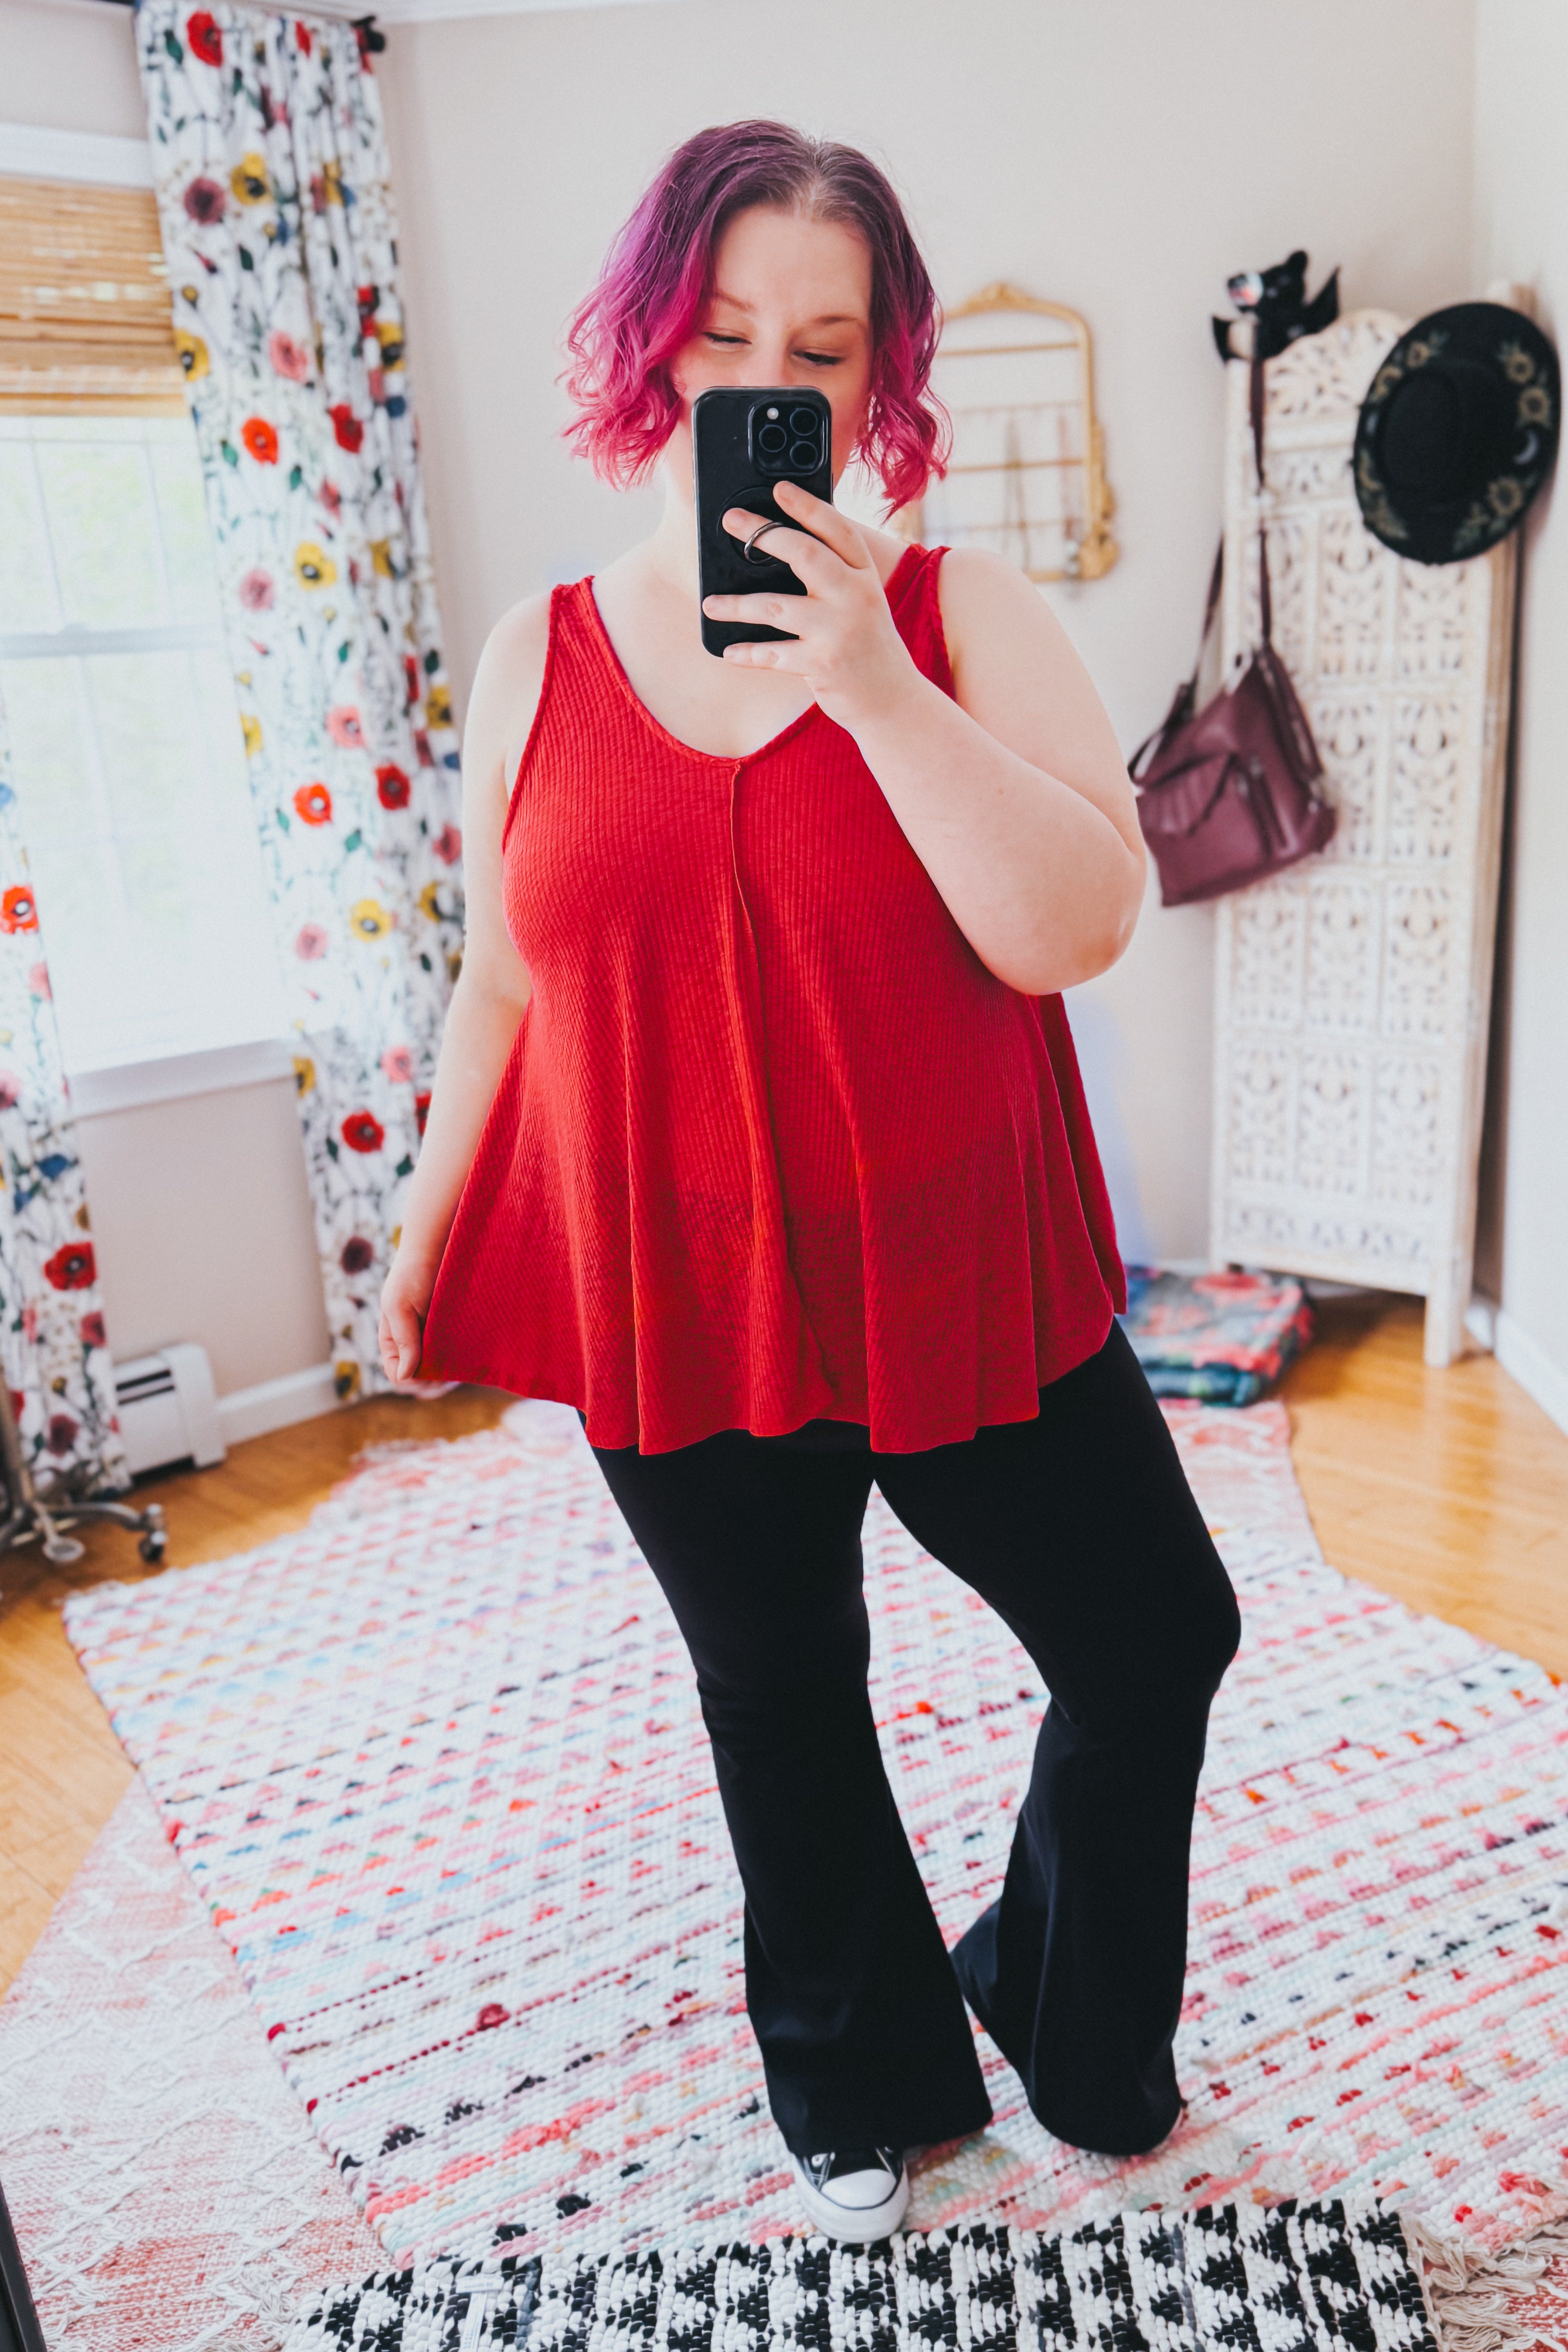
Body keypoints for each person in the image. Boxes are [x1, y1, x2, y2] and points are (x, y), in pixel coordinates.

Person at [380, 120, 1240, 2245]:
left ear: (876, 384)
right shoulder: (535, 657)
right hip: (670, 1288)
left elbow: (1080, 919)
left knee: (1153, 1637)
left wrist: (866, 691)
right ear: (653, 354)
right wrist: (418, 1237)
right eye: (722, 334)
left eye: (821, 347)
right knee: (778, 1691)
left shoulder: (951, 612)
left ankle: (1055, 2001)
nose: (765, 378)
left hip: (960, 1269)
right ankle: (856, 2084)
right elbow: (501, 984)